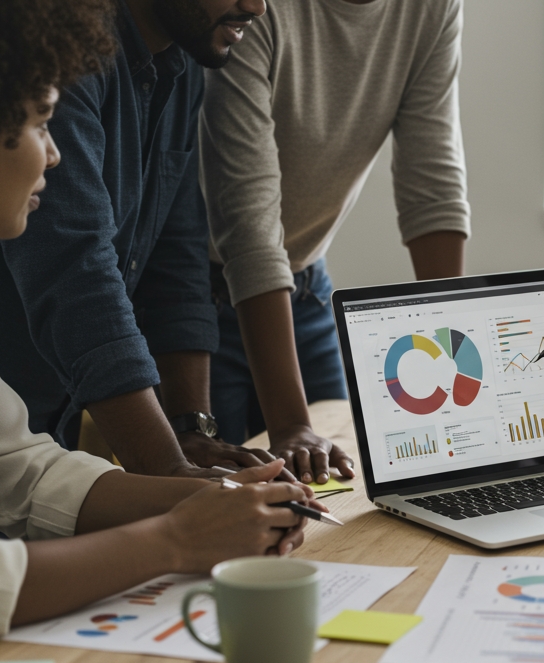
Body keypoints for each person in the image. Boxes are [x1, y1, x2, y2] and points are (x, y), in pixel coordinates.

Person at [0, 0, 325, 663]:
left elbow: (20, 467)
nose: (58, 152)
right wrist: (173, 538)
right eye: (42, 121)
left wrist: (204, 498)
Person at [0, 0, 352, 484]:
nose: (257, 6)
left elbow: (176, 256)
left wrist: (190, 429)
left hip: (35, 440)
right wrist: (167, 471)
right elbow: (77, 274)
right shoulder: (66, 50)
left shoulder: (183, 69)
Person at [198, 0, 469, 481]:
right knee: (222, 502)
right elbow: (249, 220)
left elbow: (432, 182)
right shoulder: (255, 6)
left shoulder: (434, 7)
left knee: (338, 482)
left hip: (304, 289)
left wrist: (453, 364)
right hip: (196, 296)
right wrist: (292, 423)